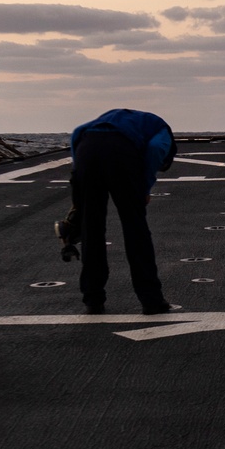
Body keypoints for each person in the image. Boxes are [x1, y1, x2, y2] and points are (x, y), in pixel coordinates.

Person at [69, 109, 176, 315]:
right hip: (120, 153)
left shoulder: (112, 119)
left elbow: (77, 133)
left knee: (90, 228)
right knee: (135, 228)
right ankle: (151, 300)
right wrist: (144, 187)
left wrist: (77, 173)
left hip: (86, 150)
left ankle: (93, 298)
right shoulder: (163, 131)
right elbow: (154, 150)